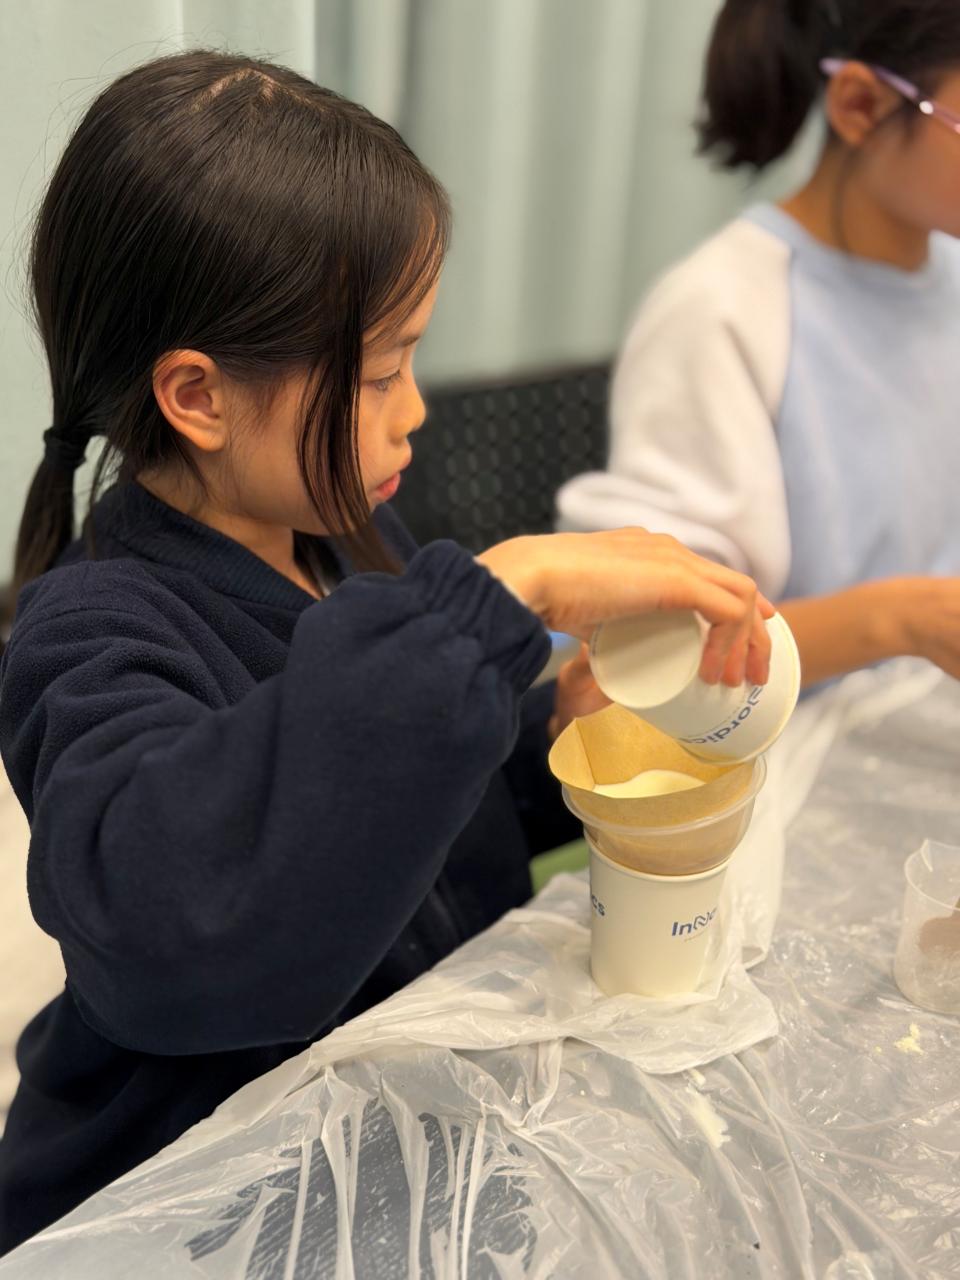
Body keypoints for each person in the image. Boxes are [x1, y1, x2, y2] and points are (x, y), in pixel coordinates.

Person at [0, 51, 772, 1254]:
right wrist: (502, 596)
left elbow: (408, 807)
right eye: (378, 372)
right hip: (199, 1203)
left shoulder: (350, 540)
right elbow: (174, 927)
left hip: (416, 1137)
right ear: (198, 396)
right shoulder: (87, 633)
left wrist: (547, 737)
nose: (415, 409)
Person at [557, 0, 960, 688]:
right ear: (860, 106)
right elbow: (653, 651)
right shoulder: (723, 312)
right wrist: (902, 618)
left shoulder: (948, 274)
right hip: (789, 732)